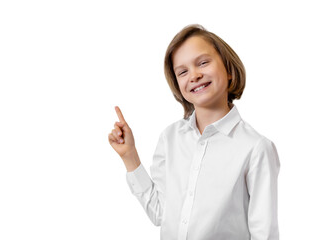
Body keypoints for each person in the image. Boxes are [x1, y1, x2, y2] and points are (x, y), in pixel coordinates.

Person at [108, 24, 280, 240]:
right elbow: (160, 213)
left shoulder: (255, 148)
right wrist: (129, 156)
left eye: (203, 62)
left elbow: (264, 234)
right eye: (182, 71)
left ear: (228, 69)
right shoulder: (170, 138)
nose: (195, 75)